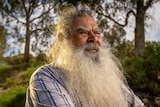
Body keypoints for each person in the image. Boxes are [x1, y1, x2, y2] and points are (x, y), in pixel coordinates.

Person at [25, 5, 145, 107]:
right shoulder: (45, 77)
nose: (94, 38)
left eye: (97, 32)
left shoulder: (107, 77)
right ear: (62, 39)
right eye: (83, 32)